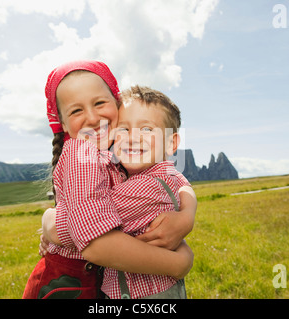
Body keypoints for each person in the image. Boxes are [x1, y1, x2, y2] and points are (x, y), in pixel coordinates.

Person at [22, 60, 195, 299]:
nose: (92, 118)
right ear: (62, 124)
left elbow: (174, 181)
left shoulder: (115, 159)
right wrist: (179, 262)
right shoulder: (82, 157)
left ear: (115, 104)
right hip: (68, 286)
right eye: (76, 110)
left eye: (100, 103)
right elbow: (94, 234)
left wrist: (188, 213)